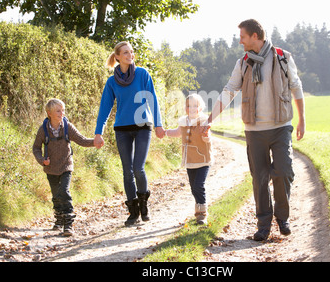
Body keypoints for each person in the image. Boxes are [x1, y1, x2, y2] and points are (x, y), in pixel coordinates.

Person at [205, 19, 306, 241]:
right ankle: (263, 225)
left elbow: (296, 86)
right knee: (259, 177)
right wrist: (210, 119)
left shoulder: (282, 57)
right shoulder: (243, 63)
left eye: (242, 36)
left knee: (284, 171)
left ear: (254, 36)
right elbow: (229, 90)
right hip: (254, 130)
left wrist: (302, 120)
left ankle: (282, 218)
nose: (240, 41)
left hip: (280, 127)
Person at [94, 41, 165, 226]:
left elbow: (153, 99)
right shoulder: (112, 82)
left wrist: (159, 124)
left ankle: (143, 205)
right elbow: (105, 108)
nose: (129, 55)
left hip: (143, 126)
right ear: (117, 56)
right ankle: (133, 212)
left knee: (138, 168)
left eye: (131, 52)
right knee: (127, 171)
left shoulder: (142, 74)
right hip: (122, 129)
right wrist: (98, 132)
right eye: (125, 52)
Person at [33, 98, 95, 236]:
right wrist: (42, 160)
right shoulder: (43, 130)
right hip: (50, 168)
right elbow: (36, 148)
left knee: (64, 191)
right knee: (56, 195)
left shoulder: (67, 127)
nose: (62, 113)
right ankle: (59, 219)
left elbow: (82, 140)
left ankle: (68, 224)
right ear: (49, 113)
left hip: (66, 165)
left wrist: (95, 142)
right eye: (58, 111)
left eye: (63, 110)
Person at [166, 94, 213, 224]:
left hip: (203, 160)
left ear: (200, 107)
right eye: (188, 106)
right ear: (185, 107)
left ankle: (202, 213)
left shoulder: (203, 121)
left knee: (199, 185)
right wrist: (164, 132)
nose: (191, 108)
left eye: (195, 106)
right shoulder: (183, 122)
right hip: (190, 160)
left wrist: (206, 134)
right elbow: (177, 132)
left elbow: (207, 139)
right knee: (193, 187)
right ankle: (198, 208)